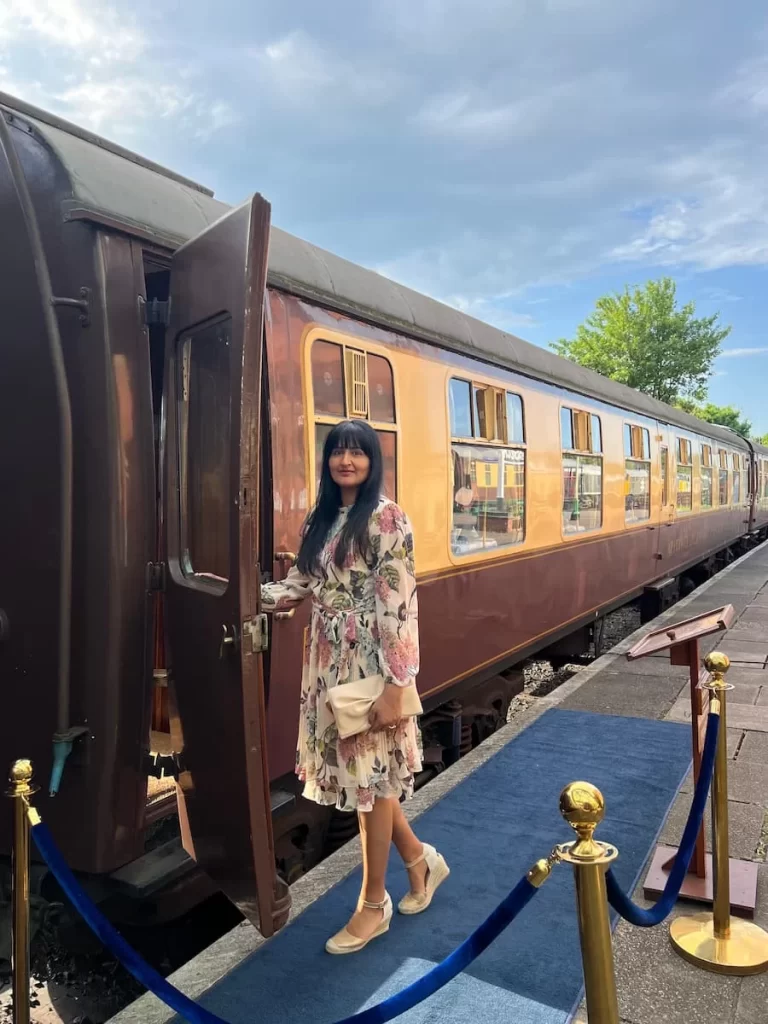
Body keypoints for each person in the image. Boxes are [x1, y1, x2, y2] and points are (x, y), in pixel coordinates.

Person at [261, 419, 449, 954]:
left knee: (372, 784)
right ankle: (420, 862)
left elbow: (398, 606)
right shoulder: (320, 516)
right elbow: (302, 583)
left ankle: (373, 904)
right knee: (372, 781)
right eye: (338, 451)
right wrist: (251, 598)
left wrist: (395, 685)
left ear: (372, 461)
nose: (346, 460)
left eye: (357, 452)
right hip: (327, 662)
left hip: (370, 663)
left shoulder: (387, 517)